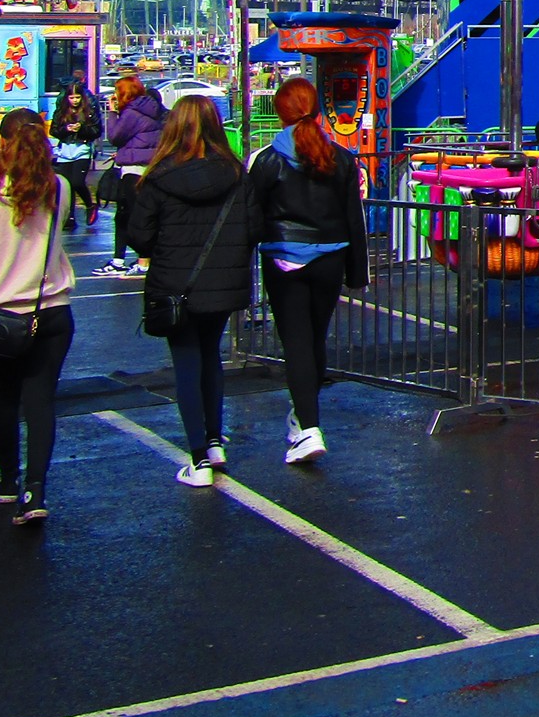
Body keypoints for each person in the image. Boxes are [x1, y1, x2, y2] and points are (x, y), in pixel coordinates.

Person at [127, 97, 252, 487]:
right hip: (221, 281)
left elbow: (139, 237)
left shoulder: (159, 176)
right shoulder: (236, 173)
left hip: (175, 283)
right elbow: (254, 226)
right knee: (211, 357)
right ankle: (214, 440)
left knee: (186, 363)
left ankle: (198, 457)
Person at [246, 78, 367, 465]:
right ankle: (303, 418)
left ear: (281, 112)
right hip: (330, 257)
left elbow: (250, 217)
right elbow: (354, 219)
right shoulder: (341, 158)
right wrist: (357, 272)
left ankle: (309, 426)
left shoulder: (266, 159)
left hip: (283, 258)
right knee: (314, 339)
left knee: (295, 343)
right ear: (316, 111)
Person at [0, 108, 75, 525]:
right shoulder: (58, 187)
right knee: (40, 402)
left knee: (2, 401)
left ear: (3, 142)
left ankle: (7, 481)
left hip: (1, 314)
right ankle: (35, 490)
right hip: (52, 310)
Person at [99, 73, 164, 277]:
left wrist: (112, 113)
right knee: (142, 211)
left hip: (133, 167)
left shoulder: (131, 113)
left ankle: (143, 258)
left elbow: (115, 136)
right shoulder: (152, 109)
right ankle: (141, 257)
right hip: (150, 165)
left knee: (131, 214)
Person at [47, 81, 102, 231]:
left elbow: (96, 131)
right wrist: (66, 129)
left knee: (77, 182)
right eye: (72, 97)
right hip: (65, 150)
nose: (75, 100)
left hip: (82, 149)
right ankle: (70, 217)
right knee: (67, 185)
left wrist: (82, 129)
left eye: (77, 97)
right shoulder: (61, 112)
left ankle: (90, 205)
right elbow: (54, 130)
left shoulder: (88, 111)